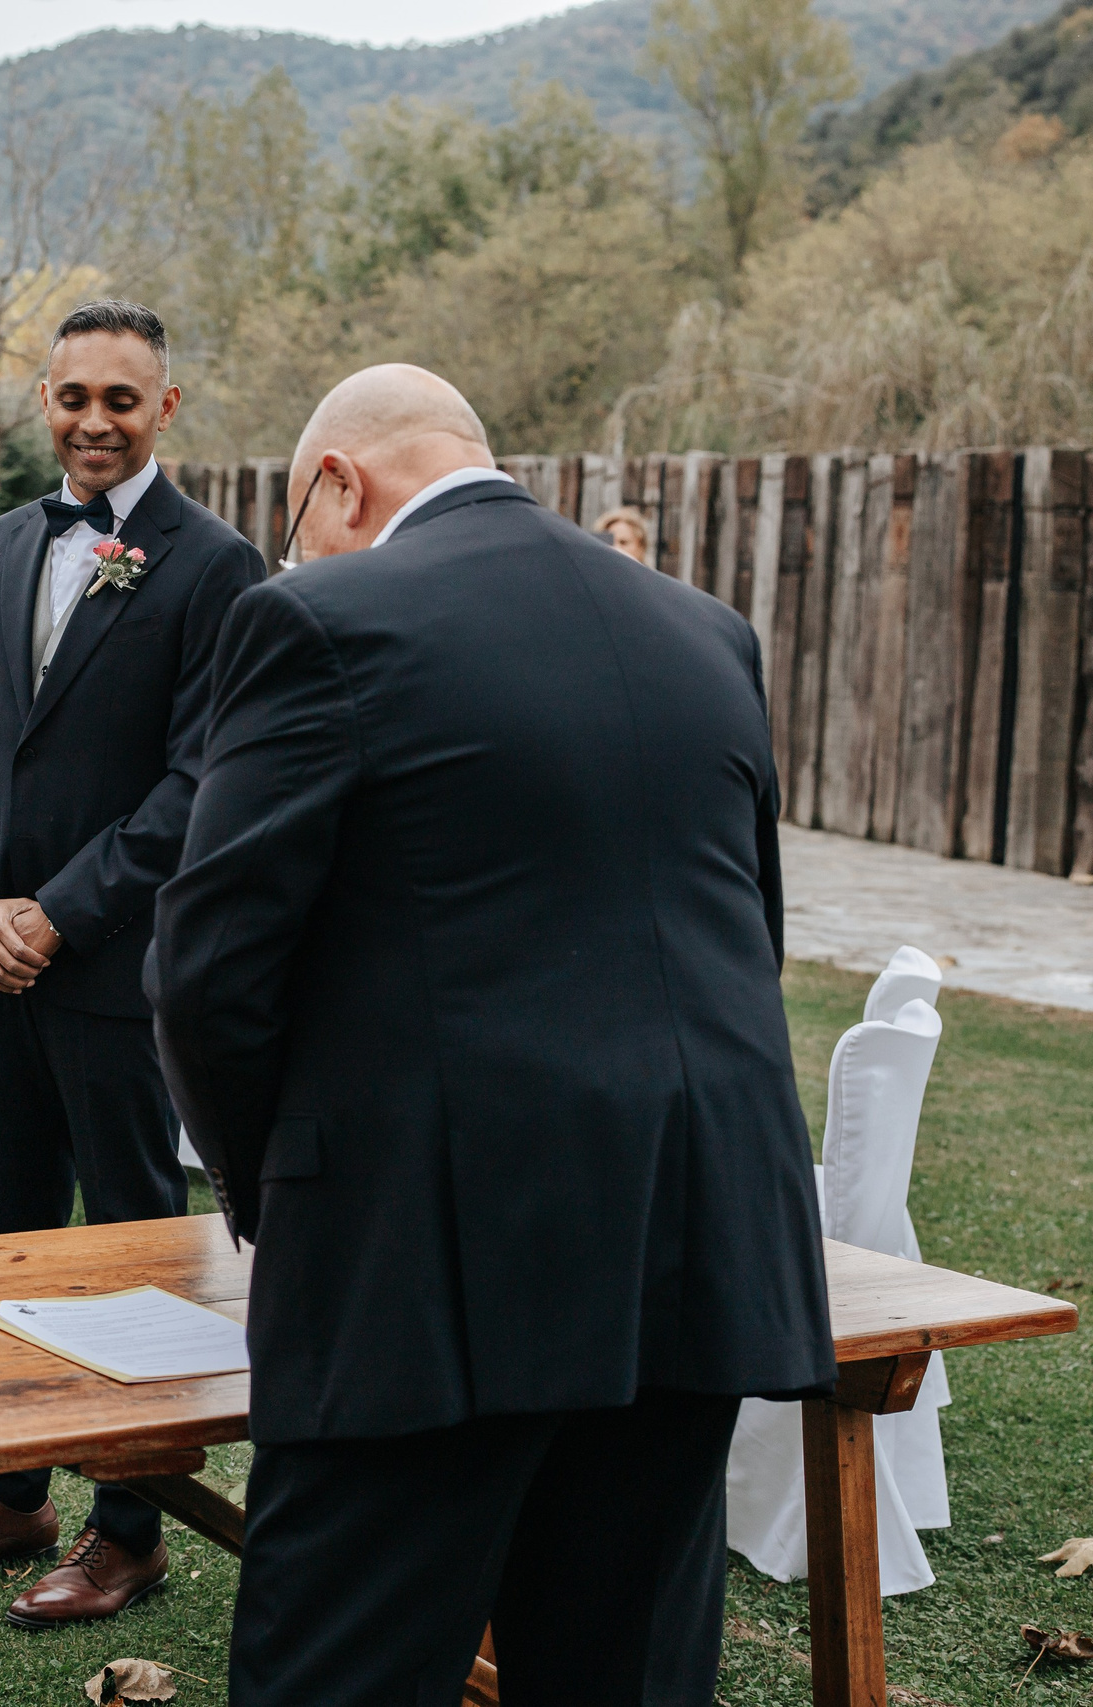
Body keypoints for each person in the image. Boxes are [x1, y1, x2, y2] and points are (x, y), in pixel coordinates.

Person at [149, 363, 833, 1706]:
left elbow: (211, 967)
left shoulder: (317, 616)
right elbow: (750, 935)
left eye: (301, 514)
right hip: (692, 1249)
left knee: (344, 1671)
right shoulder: (707, 630)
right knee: (621, 1671)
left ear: (338, 479)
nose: (300, 547)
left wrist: (264, 1187)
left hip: (427, 1263)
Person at [0, 299, 263, 1627]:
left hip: (115, 970)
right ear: (41, 401)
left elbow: (200, 779)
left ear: (167, 407)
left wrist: (60, 909)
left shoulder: (219, 567)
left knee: (125, 1251)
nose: (95, 419)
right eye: (72, 396)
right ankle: (10, 1489)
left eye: (122, 397)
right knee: (9, 1236)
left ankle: (131, 1525)